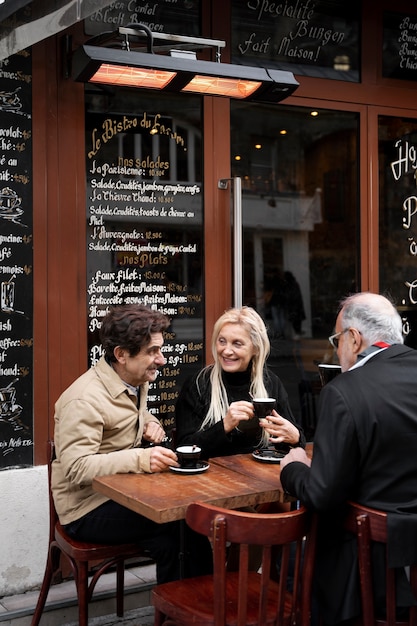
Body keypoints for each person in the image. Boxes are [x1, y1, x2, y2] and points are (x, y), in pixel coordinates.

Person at [280, 292, 417, 625]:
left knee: (289, 560)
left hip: (372, 573)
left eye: (336, 339)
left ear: (354, 339)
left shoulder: (344, 391)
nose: (335, 349)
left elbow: (323, 495)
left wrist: (293, 467)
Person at [51, 304, 213, 584]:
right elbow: (76, 467)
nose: (161, 360)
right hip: (86, 510)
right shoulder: (83, 400)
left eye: (160, 350)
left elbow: (122, 417)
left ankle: (188, 607)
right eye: (152, 351)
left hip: (122, 493)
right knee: (184, 523)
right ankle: (196, 607)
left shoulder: (132, 381)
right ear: (121, 355)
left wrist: (151, 422)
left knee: (177, 536)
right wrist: (141, 459)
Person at [175, 306, 305, 459]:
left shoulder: (269, 383)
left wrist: (295, 437)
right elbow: (183, 448)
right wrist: (225, 425)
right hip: (210, 479)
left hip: (259, 477)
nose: (227, 351)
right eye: (222, 341)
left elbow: (290, 444)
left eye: (237, 344)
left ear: (255, 348)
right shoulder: (198, 385)